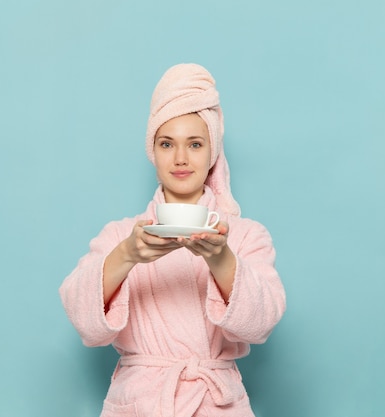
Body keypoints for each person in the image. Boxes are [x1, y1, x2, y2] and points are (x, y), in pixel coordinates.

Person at [59, 63, 286, 417]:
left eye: (195, 144)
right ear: (153, 151)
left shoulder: (244, 236)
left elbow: (262, 324)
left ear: (212, 152)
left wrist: (221, 259)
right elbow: (85, 324)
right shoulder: (121, 235)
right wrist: (127, 255)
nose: (180, 158)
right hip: (139, 403)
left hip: (216, 403)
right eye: (167, 144)